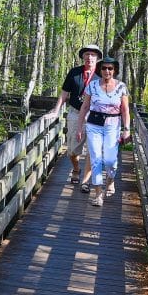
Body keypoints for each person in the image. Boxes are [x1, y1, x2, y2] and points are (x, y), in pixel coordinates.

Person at [76, 56, 130, 207]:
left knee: (110, 160)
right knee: (96, 159)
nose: (107, 71)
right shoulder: (92, 86)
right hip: (94, 125)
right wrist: (80, 127)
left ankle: (111, 180)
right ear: (100, 70)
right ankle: (98, 193)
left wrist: (127, 130)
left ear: (115, 70)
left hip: (113, 126)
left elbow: (125, 110)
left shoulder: (121, 87)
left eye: (110, 68)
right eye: (104, 68)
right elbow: (85, 107)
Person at [51, 44, 102, 190]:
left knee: (93, 150)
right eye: (87, 54)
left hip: (94, 115)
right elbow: (64, 94)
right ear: (83, 57)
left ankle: (85, 181)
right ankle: (76, 168)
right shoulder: (74, 72)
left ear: (97, 58)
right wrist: (56, 111)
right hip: (75, 113)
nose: (89, 57)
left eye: (93, 55)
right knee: (72, 150)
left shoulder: (101, 74)